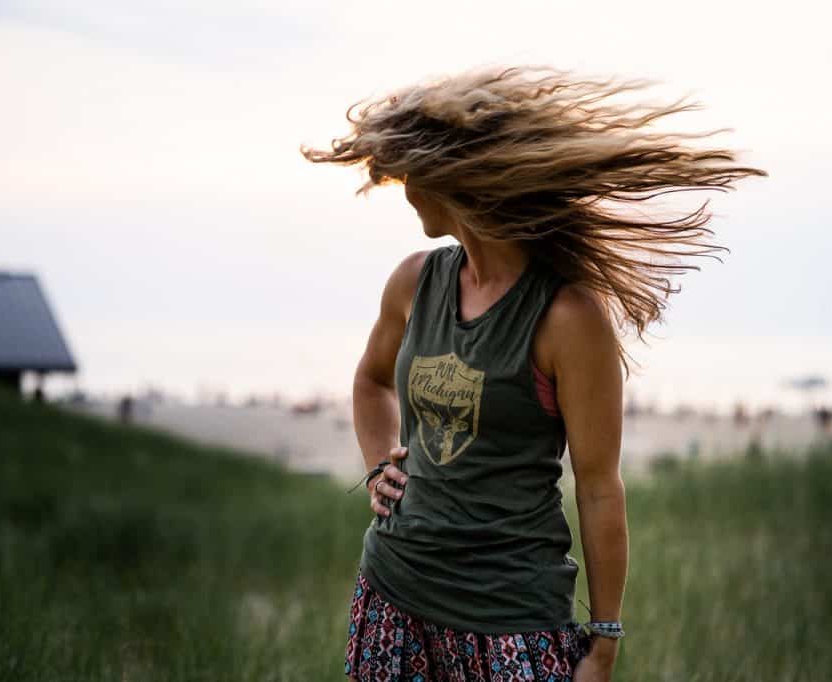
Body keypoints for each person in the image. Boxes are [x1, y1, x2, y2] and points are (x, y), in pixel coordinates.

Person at [301, 65, 765, 681]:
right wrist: (378, 462)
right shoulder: (415, 281)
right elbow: (371, 380)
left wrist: (604, 642)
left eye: (409, 173)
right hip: (393, 593)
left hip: (512, 618)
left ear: (454, 181)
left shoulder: (567, 317)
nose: (402, 187)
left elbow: (599, 487)